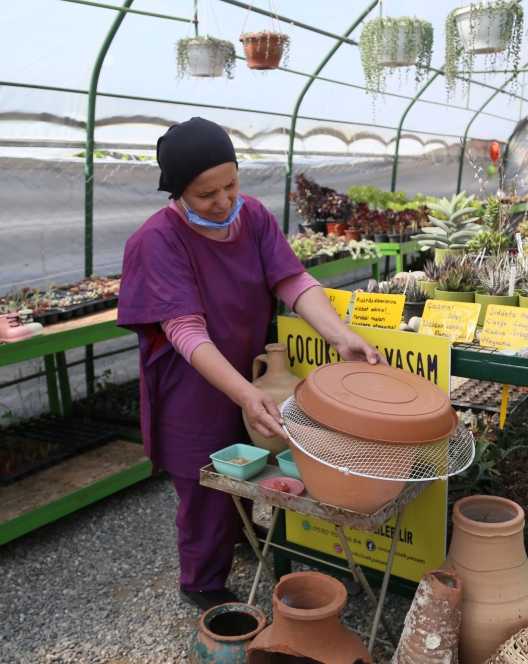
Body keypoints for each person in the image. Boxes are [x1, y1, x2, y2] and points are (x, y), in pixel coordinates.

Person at [117, 117, 384, 611]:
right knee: (205, 481)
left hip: (252, 367)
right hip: (191, 383)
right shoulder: (158, 240)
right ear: (176, 193)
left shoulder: (255, 217)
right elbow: (183, 329)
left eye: (231, 184)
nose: (222, 201)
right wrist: (242, 392)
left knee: (252, 465)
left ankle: (241, 537)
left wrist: (340, 335)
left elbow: (293, 280)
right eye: (204, 194)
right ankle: (201, 579)